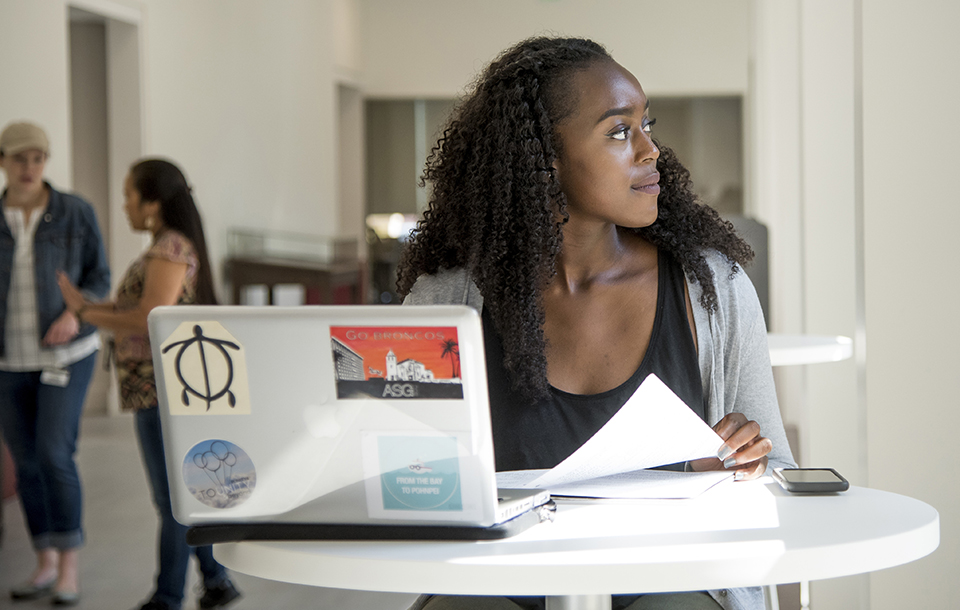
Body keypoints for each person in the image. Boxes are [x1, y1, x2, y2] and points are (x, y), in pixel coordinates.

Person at [398, 37, 796, 610]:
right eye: (618, 131)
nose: (650, 149)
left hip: (668, 580)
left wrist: (735, 468)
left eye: (646, 125)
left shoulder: (713, 289)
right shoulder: (447, 300)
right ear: (544, 158)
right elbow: (403, 480)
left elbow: (779, 475)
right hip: (499, 582)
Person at [57, 158, 242, 610]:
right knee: (185, 495)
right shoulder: (171, 245)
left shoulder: (170, 248)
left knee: (172, 500)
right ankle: (216, 582)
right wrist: (91, 308)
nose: (124, 205)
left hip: (164, 393)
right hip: (164, 391)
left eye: (129, 195)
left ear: (153, 203)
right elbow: (140, 307)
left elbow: (147, 317)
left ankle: (167, 597)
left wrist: (84, 312)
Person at [0, 121, 110, 606]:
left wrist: (72, 313)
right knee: (24, 463)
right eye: (20, 157)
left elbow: (100, 277)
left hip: (67, 355)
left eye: (38, 158)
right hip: (9, 361)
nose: (30, 167)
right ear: (3, 160)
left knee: (53, 454)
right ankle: (44, 559)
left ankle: (69, 562)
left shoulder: (73, 212)